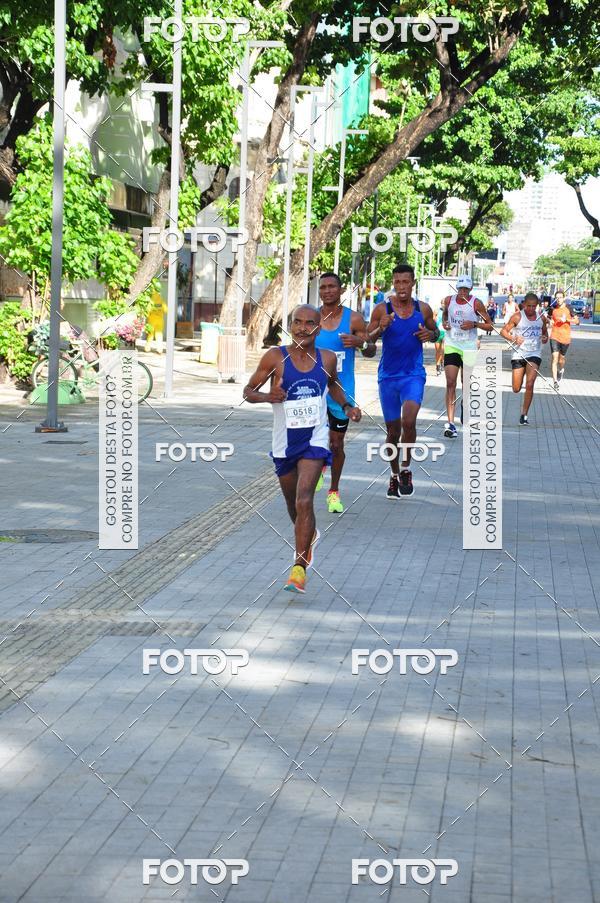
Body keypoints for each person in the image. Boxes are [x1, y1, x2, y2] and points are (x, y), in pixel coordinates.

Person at [243, 304, 361, 594]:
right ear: (290, 325)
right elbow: (248, 391)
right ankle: (308, 536)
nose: (302, 328)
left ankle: (298, 568)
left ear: (318, 329)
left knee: (305, 499)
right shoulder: (275, 357)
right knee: (292, 504)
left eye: (310, 324)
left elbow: (332, 386)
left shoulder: (328, 358)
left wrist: (346, 405)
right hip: (284, 442)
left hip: (315, 438)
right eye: (297, 322)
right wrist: (268, 396)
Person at [367, 263, 439, 498]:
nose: (401, 286)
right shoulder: (381, 309)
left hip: (413, 375)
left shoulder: (423, 309)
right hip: (387, 377)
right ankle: (394, 475)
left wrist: (431, 335)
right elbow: (367, 342)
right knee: (392, 431)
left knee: (409, 421)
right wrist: (380, 328)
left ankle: (406, 468)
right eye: (397, 282)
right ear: (393, 283)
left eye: (405, 281)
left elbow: (436, 332)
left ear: (413, 283)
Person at [314, 272, 374, 513]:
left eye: (332, 287)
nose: (327, 291)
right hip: (314, 391)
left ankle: (333, 491)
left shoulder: (354, 319)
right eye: (323, 287)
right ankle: (318, 466)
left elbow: (371, 350)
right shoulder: (311, 319)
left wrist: (360, 343)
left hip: (341, 391)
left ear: (340, 290)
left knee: (336, 445)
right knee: (316, 441)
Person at [441, 275, 493, 438]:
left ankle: (465, 403)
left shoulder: (476, 303)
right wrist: (445, 323)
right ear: (457, 288)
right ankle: (450, 424)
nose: (462, 292)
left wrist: (475, 324)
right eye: (460, 289)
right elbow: (444, 316)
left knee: (466, 383)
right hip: (452, 345)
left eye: (466, 289)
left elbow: (490, 325)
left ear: (470, 289)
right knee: (450, 382)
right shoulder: (449, 300)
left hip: (469, 347)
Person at [500, 291, 548, 424]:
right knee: (516, 388)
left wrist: (544, 338)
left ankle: (524, 414)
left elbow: (545, 334)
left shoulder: (541, 318)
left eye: (534, 306)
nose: (531, 309)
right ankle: (522, 407)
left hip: (534, 353)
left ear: (537, 306)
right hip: (519, 353)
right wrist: (514, 338)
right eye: (529, 306)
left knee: (530, 383)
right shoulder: (517, 317)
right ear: (524, 305)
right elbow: (503, 331)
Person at [548, 290, 579, 390]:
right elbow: (548, 320)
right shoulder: (552, 308)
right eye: (557, 298)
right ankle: (555, 382)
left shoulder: (569, 308)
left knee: (561, 360)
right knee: (554, 358)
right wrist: (550, 321)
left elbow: (577, 321)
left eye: (560, 297)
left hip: (565, 338)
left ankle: (561, 370)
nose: (558, 300)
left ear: (564, 298)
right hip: (554, 336)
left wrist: (567, 320)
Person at [434, 306, 445, 374]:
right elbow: (432, 321)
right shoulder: (436, 311)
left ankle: (442, 362)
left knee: (443, 349)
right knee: (438, 350)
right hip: (437, 333)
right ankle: (438, 365)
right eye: (442, 303)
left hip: (445, 333)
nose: (443, 304)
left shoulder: (449, 311)